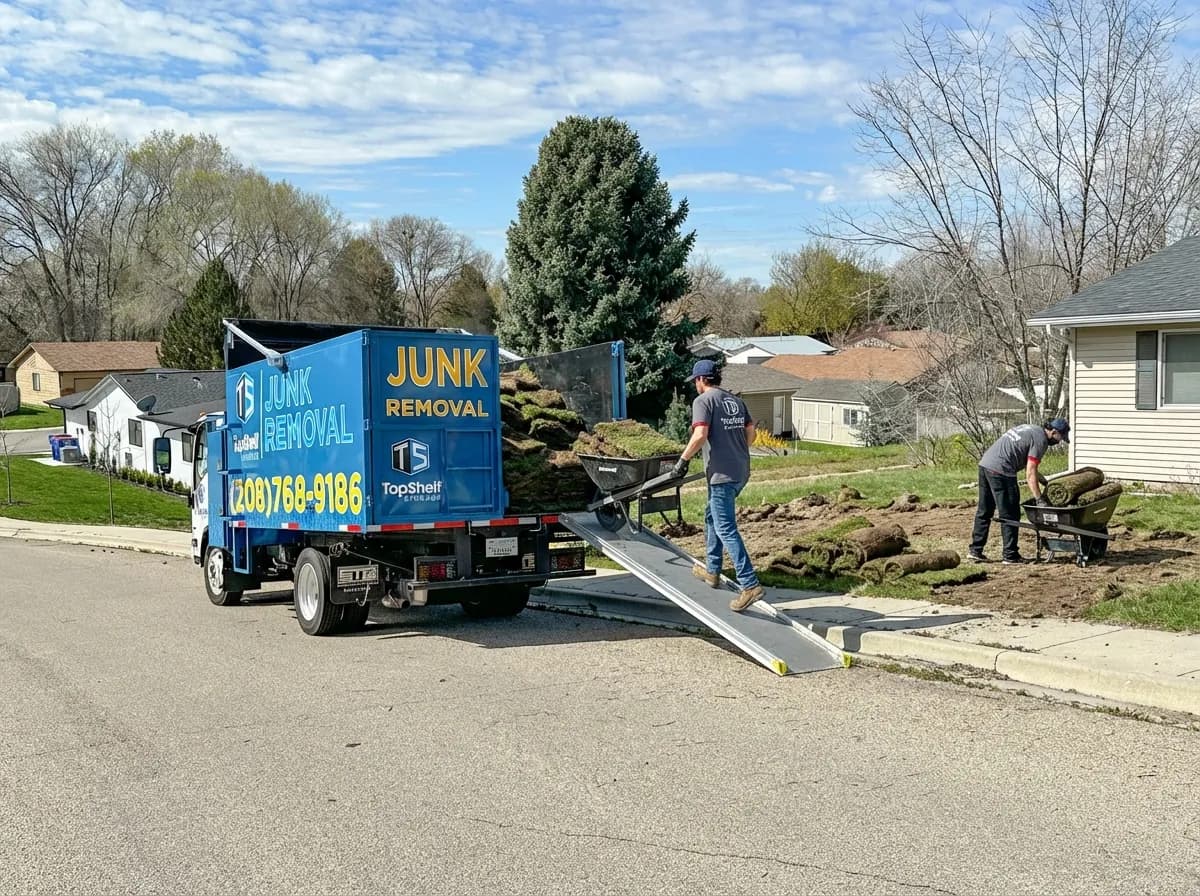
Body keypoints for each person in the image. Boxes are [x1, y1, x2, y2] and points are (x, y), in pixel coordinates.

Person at [670, 359, 763, 612]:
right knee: (711, 516)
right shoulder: (735, 400)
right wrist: (735, 451)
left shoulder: (703, 401)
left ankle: (749, 584)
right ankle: (712, 571)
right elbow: (751, 433)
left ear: (701, 380)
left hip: (721, 474)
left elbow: (699, 435)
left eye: (695, 382)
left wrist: (682, 461)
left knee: (725, 527)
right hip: (741, 470)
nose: (695, 386)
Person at [969, 418, 1070, 564]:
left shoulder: (1032, 429)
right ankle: (1010, 555)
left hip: (985, 464)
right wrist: (1039, 499)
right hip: (1001, 470)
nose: (1059, 442)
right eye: (1060, 438)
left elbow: (1026, 462)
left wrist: (1043, 480)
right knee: (1010, 513)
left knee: (985, 509)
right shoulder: (1041, 441)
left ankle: (975, 550)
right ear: (1053, 432)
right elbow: (1029, 473)